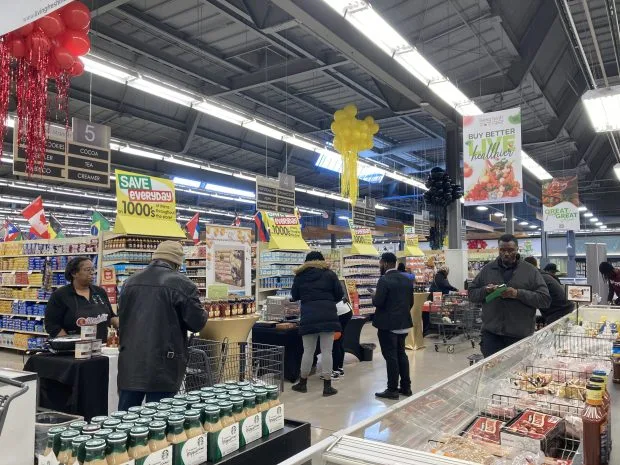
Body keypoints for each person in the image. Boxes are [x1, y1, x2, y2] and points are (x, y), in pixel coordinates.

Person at [117, 241, 208, 410]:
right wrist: (205, 313)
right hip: (164, 363)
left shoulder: (130, 282)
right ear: (177, 261)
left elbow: (122, 316)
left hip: (130, 361)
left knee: (125, 416)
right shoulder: (183, 284)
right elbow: (196, 323)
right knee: (158, 417)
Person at [468, 234, 550, 358]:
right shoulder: (488, 270)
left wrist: (517, 294)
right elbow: (472, 294)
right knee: (492, 373)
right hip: (492, 335)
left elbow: (545, 299)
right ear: (499, 249)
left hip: (519, 336)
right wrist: (486, 290)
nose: (506, 254)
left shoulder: (530, 271)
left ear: (517, 250)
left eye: (510, 250)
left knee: (518, 374)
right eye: (502, 250)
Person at [291, 251, 343, 396]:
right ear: (321, 260)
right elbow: (339, 294)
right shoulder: (330, 274)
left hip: (308, 317)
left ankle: (302, 383)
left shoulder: (300, 276)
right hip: (328, 316)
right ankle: (327, 386)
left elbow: (294, 296)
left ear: (306, 262)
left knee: (308, 351)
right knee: (327, 351)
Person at [371, 252, 414, 399]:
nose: (380, 266)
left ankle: (392, 389)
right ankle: (406, 387)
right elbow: (411, 302)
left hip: (388, 325)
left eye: (380, 263)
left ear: (385, 263)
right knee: (401, 354)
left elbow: (378, 302)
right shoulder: (407, 279)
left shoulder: (384, 280)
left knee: (391, 357)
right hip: (403, 323)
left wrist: (374, 296)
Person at [45, 256, 117, 341]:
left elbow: (111, 317)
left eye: (93, 269)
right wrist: (68, 343)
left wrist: (125, 322)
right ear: (74, 273)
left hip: (101, 346)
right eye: (87, 270)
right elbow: (52, 325)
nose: (92, 273)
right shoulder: (60, 295)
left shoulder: (100, 292)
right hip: (74, 350)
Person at [524, 257, 574, 324]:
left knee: (552, 333)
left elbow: (536, 299)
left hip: (558, 312)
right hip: (564, 309)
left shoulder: (538, 278)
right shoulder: (542, 276)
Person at [424, 265, 458, 336]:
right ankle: (433, 328)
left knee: (438, 311)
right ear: (445, 271)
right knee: (435, 311)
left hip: (438, 296)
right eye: (447, 272)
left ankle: (436, 327)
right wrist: (454, 289)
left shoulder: (441, 276)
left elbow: (446, 285)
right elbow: (445, 285)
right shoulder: (439, 276)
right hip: (435, 296)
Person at [332, 297, 352, 378]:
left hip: (339, 311)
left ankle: (335, 371)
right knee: (339, 341)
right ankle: (340, 368)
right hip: (346, 308)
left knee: (336, 342)